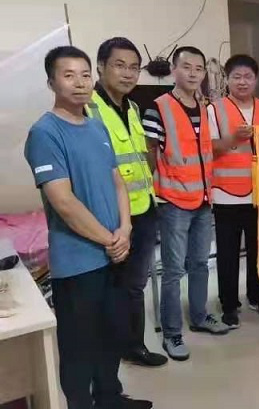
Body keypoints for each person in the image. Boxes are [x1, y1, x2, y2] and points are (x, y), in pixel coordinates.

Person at [24, 46, 152, 409]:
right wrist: (110, 239)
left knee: (111, 333)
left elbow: (117, 181)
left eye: (84, 75)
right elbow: (63, 201)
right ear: (51, 82)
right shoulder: (45, 133)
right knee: (79, 346)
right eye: (68, 75)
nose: (79, 83)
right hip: (78, 260)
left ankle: (110, 398)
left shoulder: (96, 126)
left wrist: (125, 228)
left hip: (114, 252)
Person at [86, 37, 167, 368]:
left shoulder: (133, 108)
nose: (128, 73)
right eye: (119, 65)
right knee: (112, 286)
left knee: (135, 285)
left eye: (134, 67)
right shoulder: (88, 109)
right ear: (101, 67)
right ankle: (112, 350)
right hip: (110, 215)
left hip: (143, 208)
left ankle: (133, 346)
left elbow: (139, 156)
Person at [143, 46, 228, 362]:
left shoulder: (204, 107)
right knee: (173, 270)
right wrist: (160, 190)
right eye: (186, 67)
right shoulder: (158, 108)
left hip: (204, 199)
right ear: (174, 71)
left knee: (200, 263)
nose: (193, 73)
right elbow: (150, 153)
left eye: (198, 68)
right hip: (174, 201)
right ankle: (172, 333)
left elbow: (204, 152)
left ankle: (200, 316)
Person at [208, 54, 259, 329]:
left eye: (248, 76)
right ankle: (228, 304)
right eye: (236, 76)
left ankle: (257, 296)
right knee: (227, 253)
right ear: (227, 79)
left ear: (256, 80)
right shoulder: (215, 109)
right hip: (225, 193)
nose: (242, 81)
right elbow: (208, 147)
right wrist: (233, 139)